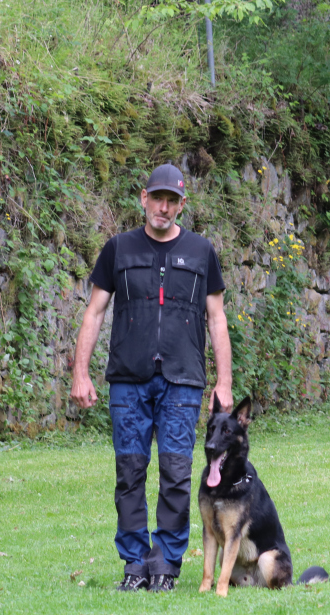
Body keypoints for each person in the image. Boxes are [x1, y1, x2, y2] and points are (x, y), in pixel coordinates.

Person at [70, 163, 233, 593]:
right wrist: (80, 373)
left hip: (183, 380)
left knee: (176, 473)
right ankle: (135, 562)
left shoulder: (201, 251)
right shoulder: (118, 249)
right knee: (130, 472)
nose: (163, 207)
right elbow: (95, 312)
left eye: (171, 200)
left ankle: (165, 564)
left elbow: (217, 319)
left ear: (182, 204)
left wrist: (225, 382)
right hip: (129, 379)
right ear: (144, 198)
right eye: (157, 198)